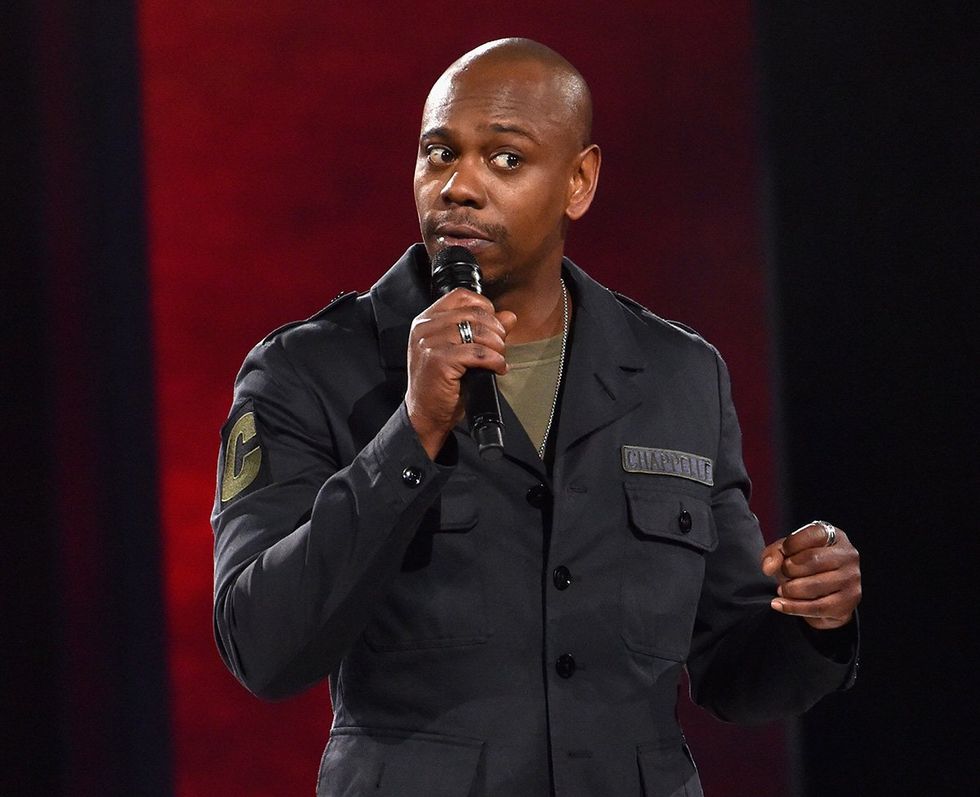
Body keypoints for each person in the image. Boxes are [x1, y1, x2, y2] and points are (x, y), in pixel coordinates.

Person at [212, 38, 861, 797]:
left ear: (579, 181)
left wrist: (813, 618)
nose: (458, 186)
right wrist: (411, 432)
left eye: (506, 159)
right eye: (438, 153)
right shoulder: (311, 370)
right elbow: (262, 645)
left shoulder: (678, 374)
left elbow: (733, 669)